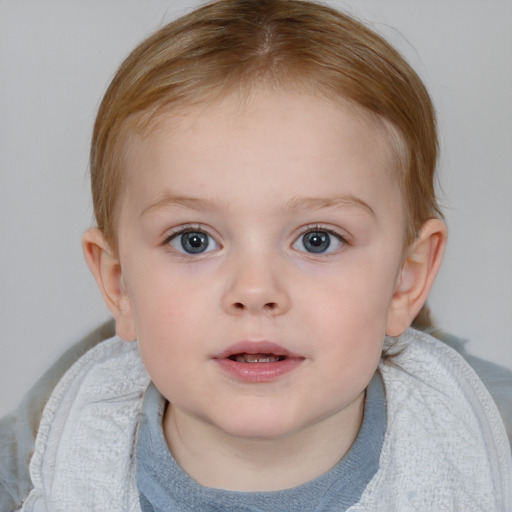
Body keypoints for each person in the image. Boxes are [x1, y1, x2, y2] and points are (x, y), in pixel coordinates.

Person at [1, 0, 511, 510]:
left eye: (318, 239)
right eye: (193, 240)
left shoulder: (489, 438)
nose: (255, 290)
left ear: (407, 277)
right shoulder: (55, 436)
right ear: (119, 284)